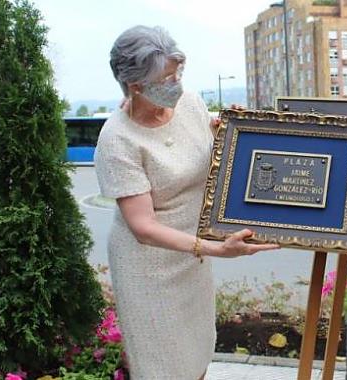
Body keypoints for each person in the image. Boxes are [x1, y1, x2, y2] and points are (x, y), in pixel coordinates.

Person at [95, 26, 278, 379]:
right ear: (136, 85)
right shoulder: (117, 139)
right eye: (167, 77)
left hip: (192, 261)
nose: (176, 82)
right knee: (164, 365)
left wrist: (236, 128)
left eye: (178, 72)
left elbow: (221, 155)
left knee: (195, 354)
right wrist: (214, 248)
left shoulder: (191, 104)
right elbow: (143, 228)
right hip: (148, 269)